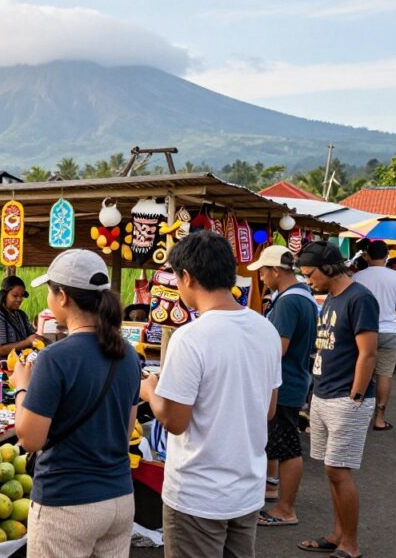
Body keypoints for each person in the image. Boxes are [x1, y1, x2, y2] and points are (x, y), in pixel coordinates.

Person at [139, 232, 281, 558]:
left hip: (197, 495)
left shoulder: (190, 337)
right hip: (246, 489)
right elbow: (268, 410)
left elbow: (175, 422)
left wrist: (150, 391)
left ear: (187, 276)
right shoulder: (265, 330)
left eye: (176, 276)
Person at [9, 250, 141, 558]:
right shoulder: (129, 354)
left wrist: (21, 389)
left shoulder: (54, 358)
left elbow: (30, 438)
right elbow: (126, 433)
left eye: (50, 291)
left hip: (66, 504)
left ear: (63, 296)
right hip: (119, 500)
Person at [296, 240, 378, 558]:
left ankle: (351, 545)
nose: (307, 279)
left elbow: (368, 353)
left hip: (346, 397)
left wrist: (355, 395)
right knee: (332, 471)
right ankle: (337, 534)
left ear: (328, 268)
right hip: (324, 393)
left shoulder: (360, 298)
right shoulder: (332, 296)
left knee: (338, 470)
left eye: (309, 273)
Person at [249, 245, 317, 527]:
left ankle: (286, 509)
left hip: (285, 384)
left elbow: (278, 347)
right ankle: (273, 491)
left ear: (276, 270)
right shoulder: (304, 295)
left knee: (288, 446)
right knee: (280, 441)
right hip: (296, 379)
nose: (261, 277)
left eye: (263, 271)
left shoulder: (288, 302)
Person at [352, 240, 396, 430]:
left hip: (362, 330)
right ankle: (379, 419)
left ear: (367, 255)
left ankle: (355, 414)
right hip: (388, 331)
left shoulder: (358, 277)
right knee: (384, 374)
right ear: (386, 256)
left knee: (360, 370)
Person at [0, 275, 42, 364]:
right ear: (4, 295)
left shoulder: (21, 315)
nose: (19, 299)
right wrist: (27, 342)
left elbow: (32, 336)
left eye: (21, 296)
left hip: (18, 363)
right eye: (15, 295)